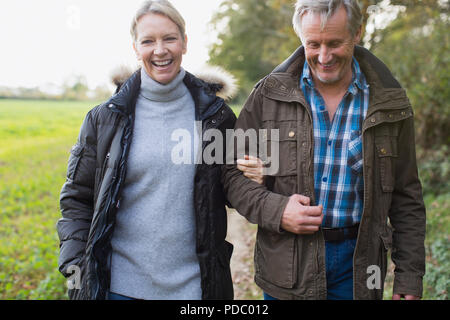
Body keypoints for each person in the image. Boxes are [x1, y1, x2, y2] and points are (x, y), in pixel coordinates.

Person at [56, 0, 262, 300]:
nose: (160, 50)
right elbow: (77, 199)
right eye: (148, 41)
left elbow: (227, 190)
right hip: (118, 289)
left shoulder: (215, 117)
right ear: (135, 48)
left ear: (185, 42)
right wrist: (77, 265)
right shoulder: (104, 119)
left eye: (169, 38)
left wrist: (251, 179)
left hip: (194, 290)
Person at [222, 0, 426, 300]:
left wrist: (409, 279)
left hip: (361, 267)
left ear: (357, 32)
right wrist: (278, 211)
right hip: (287, 266)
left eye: (334, 43)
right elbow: (229, 174)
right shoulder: (268, 95)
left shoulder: (390, 103)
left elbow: (406, 195)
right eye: (313, 44)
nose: (324, 56)